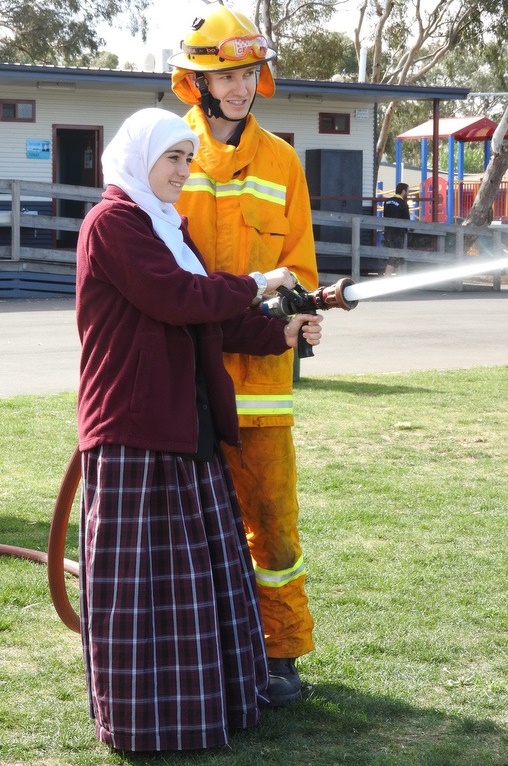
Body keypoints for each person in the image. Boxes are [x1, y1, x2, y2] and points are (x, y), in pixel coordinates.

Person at [75, 107, 322, 752]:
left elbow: (208, 317)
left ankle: (204, 707)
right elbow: (180, 300)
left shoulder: (167, 229)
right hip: (135, 430)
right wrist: (257, 283)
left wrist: (282, 331)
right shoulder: (114, 225)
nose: (183, 172)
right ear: (138, 160)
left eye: (188, 159)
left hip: (187, 425)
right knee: (146, 589)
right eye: (172, 160)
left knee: (197, 578)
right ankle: (147, 722)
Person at [169, 4, 319, 706]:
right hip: (189, 382)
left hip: (260, 385)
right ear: (195, 81)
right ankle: (216, 648)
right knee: (198, 526)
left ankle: (281, 652)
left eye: (247, 71)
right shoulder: (172, 155)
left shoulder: (283, 162)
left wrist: (299, 314)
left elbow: (303, 271)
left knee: (274, 524)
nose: (237, 84)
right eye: (223, 72)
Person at [382, 182, 410, 276]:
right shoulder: (403, 203)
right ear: (403, 191)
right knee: (395, 256)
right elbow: (407, 221)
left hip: (387, 231)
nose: (408, 193)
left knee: (397, 257)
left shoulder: (387, 201)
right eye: (408, 191)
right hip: (398, 233)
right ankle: (386, 278)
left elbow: (385, 215)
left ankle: (399, 281)